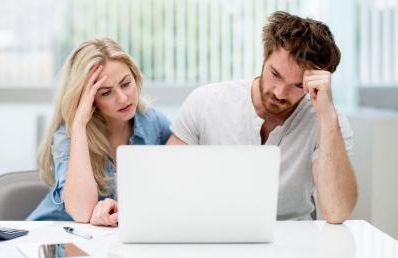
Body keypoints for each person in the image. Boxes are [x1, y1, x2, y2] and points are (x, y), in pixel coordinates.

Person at [167, 11, 357, 223]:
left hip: (293, 240)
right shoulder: (205, 102)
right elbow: (169, 185)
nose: (279, 93)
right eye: (275, 74)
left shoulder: (328, 121)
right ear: (264, 56)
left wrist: (328, 117)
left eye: (297, 85)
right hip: (214, 229)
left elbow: (337, 211)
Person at [28, 38, 171, 226]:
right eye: (106, 93)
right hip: (55, 238)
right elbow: (82, 212)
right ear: (88, 99)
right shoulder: (68, 136)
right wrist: (79, 125)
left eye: (126, 83)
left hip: (109, 242)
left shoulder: (152, 122)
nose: (122, 98)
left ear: (135, 77)